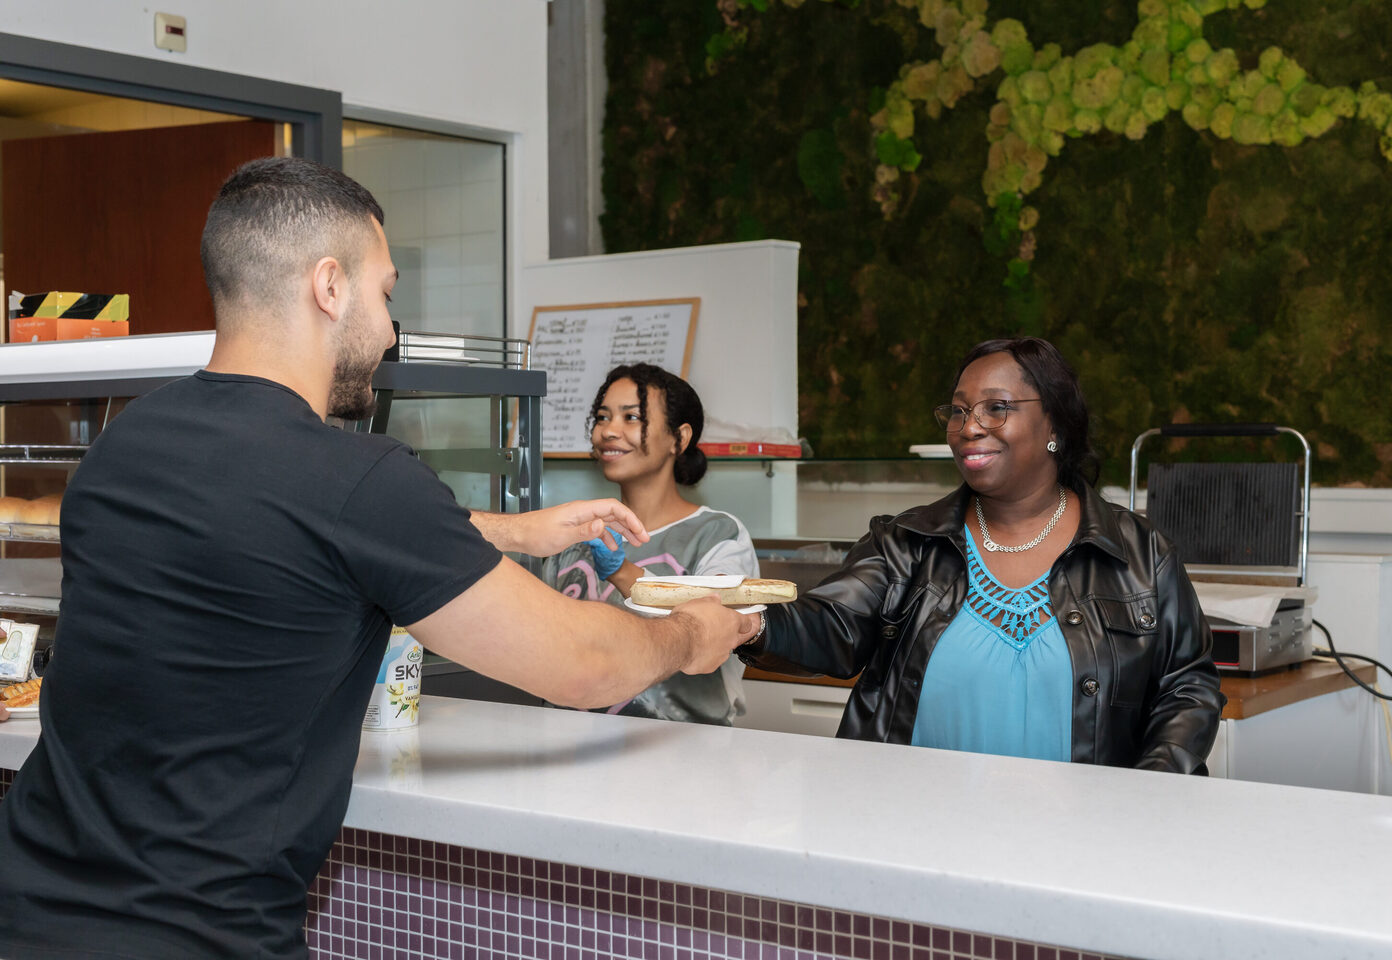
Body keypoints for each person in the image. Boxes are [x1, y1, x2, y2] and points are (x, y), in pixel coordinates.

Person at [0, 157, 759, 960]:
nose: (391, 329)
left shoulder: (124, 446)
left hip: (28, 908)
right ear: (330, 286)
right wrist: (690, 635)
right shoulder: (356, 479)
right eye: (386, 292)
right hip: (196, 937)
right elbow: (582, 666)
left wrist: (515, 532)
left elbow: (289, 529)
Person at [738, 337, 1223, 772]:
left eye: (996, 408)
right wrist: (749, 623)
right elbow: (831, 626)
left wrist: (1147, 791)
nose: (968, 427)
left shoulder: (1140, 553)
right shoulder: (906, 542)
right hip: (911, 823)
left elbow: (1188, 688)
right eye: (958, 411)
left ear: (1054, 422)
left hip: (1079, 834)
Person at [545, 363, 759, 724]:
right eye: (602, 417)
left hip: (685, 750)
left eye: (631, 417)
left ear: (679, 438)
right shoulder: (574, 537)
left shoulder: (718, 534)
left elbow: (716, 622)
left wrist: (621, 571)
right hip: (567, 745)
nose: (609, 431)